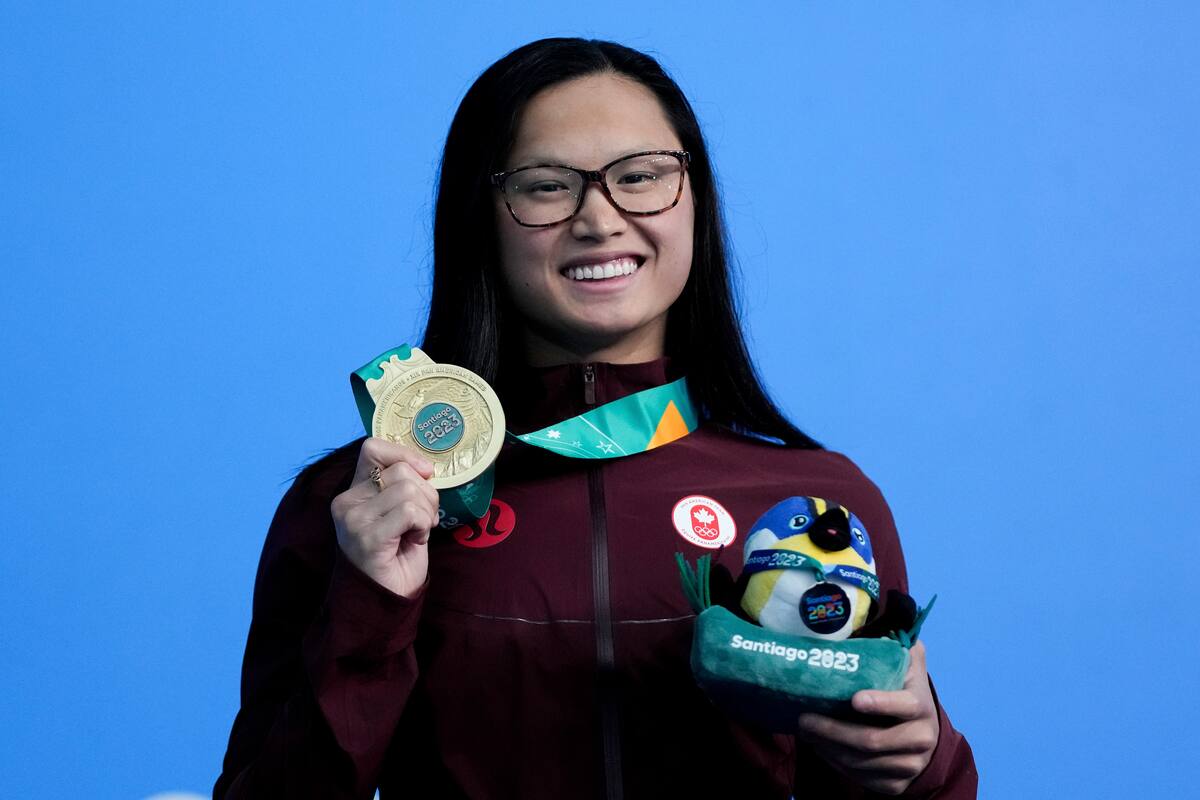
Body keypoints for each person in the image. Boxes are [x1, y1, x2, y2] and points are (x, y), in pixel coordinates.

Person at [215, 38, 977, 799]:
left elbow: (898, 772)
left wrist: (922, 762)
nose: (600, 219)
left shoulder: (819, 509)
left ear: (696, 201)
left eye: (641, 177)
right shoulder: (362, 506)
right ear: (480, 215)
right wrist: (370, 605)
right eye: (547, 187)